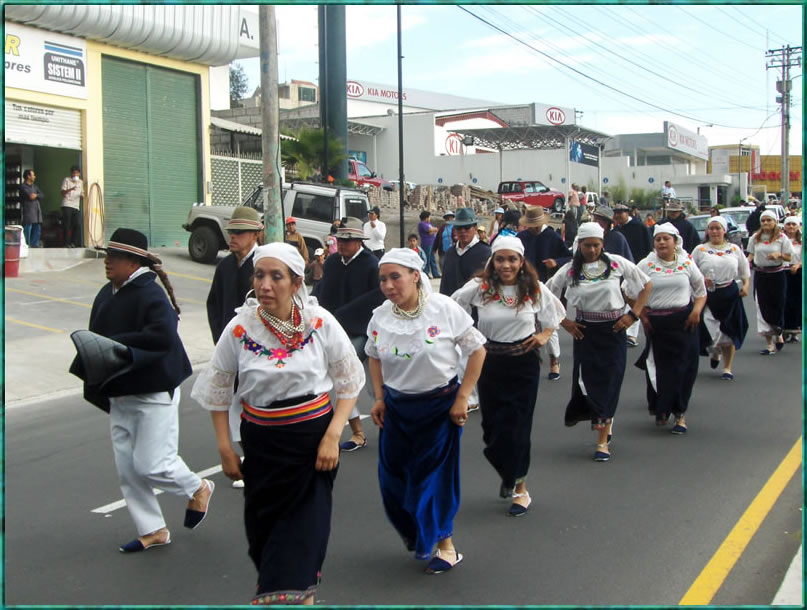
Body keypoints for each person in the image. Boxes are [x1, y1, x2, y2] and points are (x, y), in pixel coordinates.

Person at [191, 243, 365, 605]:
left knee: (303, 533)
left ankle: (297, 595)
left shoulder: (319, 322)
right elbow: (218, 388)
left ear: (296, 282)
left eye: (276, 276)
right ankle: (291, 591)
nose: (265, 285)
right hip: (261, 446)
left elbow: (349, 382)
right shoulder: (240, 327)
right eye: (259, 275)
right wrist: (224, 447)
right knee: (264, 534)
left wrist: (333, 436)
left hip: (311, 445)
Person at [69, 228, 213, 553]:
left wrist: (115, 345)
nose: (107, 261)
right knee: (128, 470)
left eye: (114, 256)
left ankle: (198, 487)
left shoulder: (151, 294)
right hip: (120, 391)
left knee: (153, 464)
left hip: (153, 393)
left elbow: (162, 338)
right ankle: (153, 529)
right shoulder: (107, 292)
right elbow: (97, 337)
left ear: (133, 262)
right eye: (107, 255)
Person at [366, 248, 486, 573]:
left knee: (431, 480)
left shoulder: (443, 308)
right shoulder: (381, 316)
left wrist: (463, 397)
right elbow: (373, 355)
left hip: (438, 408)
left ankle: (446, 545)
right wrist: (379, 397)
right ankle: (420, 533)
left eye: (395, 277)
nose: (388, 285)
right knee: (393, 480)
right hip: (397, 409)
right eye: (383, 279)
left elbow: (477, 350)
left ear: (415, 275)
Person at [451, 236, 565, 515]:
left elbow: (555, 313)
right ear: (492, 261)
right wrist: (469, 336)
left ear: (521, 261)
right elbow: (453, 308)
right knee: (493, 429)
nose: (506, 265)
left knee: (518, 427)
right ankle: (508, 471)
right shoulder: (480, 287)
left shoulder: (534, 287)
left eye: (512, 259)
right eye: (500, 259)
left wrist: (544, 334)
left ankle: (520, 488)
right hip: (489, 363)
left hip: (523, 364)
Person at [547, 222, 652, 462]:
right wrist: (564, 321)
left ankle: (602, 439)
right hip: (585, 331)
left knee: (610, 381)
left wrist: (633, 314)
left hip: (613, 329)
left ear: (602, 244)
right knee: (589, 382)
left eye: (596, 245)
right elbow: (547, 294)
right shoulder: (570, 270)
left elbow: (646, 284)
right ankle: (603, 420)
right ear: (579, 245)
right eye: (587, 245)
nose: (592, 250)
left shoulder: (616, 263)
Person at [313, 221, 383, 452]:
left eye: (347, 240)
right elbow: (322, 290)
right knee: (340, 378)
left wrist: (346, 314)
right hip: (334, 330)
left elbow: (378, 298)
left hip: (362, 330)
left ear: (359, 242)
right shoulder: (332, 262)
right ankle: (357, 432)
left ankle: (389, 423)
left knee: (373, 383)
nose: (342, 244)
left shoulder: (371, 264)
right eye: (340, 240)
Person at [634, 224, 707, 434]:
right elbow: (628, 290)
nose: (662, 243)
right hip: (656, 324)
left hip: (684, 322)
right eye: (658, 239)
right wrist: (642, 315)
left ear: (675, 242)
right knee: (660, 370)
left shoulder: (686, 263)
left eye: (666, 239)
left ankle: (680, 414)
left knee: (685, 369)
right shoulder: (645, 265)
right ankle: (662, 407)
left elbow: (700, 291)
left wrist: (696, 311)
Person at [691, 216, 750, 380]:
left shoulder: (734, 249)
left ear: (724, 231)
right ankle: (715, 351)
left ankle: (727, 367)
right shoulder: (700, 250)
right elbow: (690, 271)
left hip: (729, 293)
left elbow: (744, 270)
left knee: (729, 331)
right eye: (711, 228)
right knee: (711, 329)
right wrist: (702, 279)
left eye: (718, 228)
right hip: (708, 295)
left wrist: (745, 286)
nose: (715, 232)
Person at [517, 206, 571, 380]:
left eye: (536, 225)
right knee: (525, 323)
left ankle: (554, 360)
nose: (534, 228)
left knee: (549, 322)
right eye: (531, 225)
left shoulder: (552, 236)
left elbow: (568, 257)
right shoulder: (521, 238)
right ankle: (528, 360)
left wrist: (555, 262)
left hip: (547, 285)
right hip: (524, 285)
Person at [207, 207, 263, 344]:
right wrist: (220, 339)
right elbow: (213, 304)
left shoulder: (263, 265)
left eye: (239, 232)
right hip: (227, 342)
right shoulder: (224, 266)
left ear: (255, 234)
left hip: (257, 345)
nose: (232, 236)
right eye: (231, 231)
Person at [747, 210, 793, 354]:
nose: (766, 223)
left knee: (777, 305)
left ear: (775, 222)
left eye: (769, 220)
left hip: (777, 275)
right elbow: (751, 254)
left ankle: (778, 332)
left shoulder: (782, 238)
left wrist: (778, 255)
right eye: (763, 220)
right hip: (761, 275)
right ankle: (769, 344)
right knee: (762, 306)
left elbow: (789, 257)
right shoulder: (755, 237)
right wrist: (746, 262)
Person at [439, 207, 492, 297]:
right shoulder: (450, 253)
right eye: (459, 228)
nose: (463, 231)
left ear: (475, 229)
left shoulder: (485, 252)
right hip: (452, 303)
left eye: (467, 227)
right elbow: (445, 284)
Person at [782, 217, 802, 343]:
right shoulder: (780, 240)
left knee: (796, 301)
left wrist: (799, 264)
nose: (791, 226)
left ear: (798, 226)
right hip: (783, 271)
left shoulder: (802, 241)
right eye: (788, 224)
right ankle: (784, 330)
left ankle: (794, 330)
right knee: (784, 301)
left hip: (798, 272)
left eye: (793, 224)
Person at [60, 165, 84, 247]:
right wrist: (71, 189)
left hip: (76, 206)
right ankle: (66, 243)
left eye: (77, 173)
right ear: (71, 173)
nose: (75, 175)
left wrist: (82, 195)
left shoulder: (80, 182)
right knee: (66, 224)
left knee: (77, 224)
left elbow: (82, 193)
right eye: (73, 173)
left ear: (79, 174)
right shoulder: (67, 180)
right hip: (67, 204)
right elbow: (62, 192)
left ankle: (73, 243)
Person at [20, 169, 44, 248]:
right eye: (33, 175)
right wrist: (36, 195)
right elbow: (30, 196)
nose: (34, 177)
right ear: (28, 176)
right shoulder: (23, 187)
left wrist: (36, 195)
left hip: (36, 211)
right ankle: (27, 245)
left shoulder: (35, 186)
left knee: (37, 228)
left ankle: (34, 245)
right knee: (28, 228)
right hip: (28, 210)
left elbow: (41, 195)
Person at [418, 210, 441, 279]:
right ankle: (426, 273)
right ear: (426, 217)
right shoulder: (422, 224)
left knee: (432, 258)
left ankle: (435, 273)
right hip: (426, 243)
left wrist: (433, 230)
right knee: (426, 258)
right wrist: (433, 230)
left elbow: (433, 230)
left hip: (432, 242)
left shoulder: (428, 224)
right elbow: (429, 230)